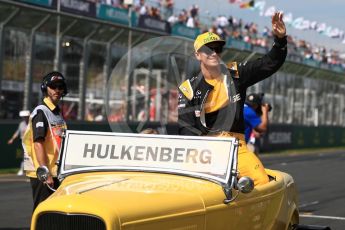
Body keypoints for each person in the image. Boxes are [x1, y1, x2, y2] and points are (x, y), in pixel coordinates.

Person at [178, 12, 286, 186]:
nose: (213, 53)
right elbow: (186, 128)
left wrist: (280, 40)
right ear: (197, 55)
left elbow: (268, 64)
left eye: (217, 48)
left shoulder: (235, 73)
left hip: (236, 147)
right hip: (203, 150)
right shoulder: (188, 88)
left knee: (260, 181)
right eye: (208, 49)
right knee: (184, 183)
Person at [22, 71, 67, 210]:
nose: (57, 90)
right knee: (43, 213)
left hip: (56, 172)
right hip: (43, 173)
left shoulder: (57, 113)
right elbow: (38, 144)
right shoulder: (41, 112)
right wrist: (45, 173)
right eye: (53, 86)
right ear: (45, 88)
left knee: (54, 214)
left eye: (60, 87)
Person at [7, 110, 30, 176]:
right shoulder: (21, 124)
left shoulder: (32, 123)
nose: (25, 118)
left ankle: (31, 171)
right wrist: (12, 139)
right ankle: (21, 170)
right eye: (23, 117)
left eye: (26, 117)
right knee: (23, 156)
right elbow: (17, 133)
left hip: (31, 143)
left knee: (30, 157)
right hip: (23, 143)